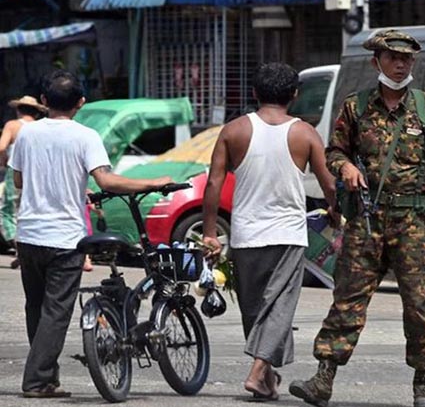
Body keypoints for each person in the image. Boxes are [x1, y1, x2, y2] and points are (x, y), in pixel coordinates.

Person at [289, 30, 425, 407]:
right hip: (368, 220)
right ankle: (323, 379)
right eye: (393, 57)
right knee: (348, 299)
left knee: (420, 304)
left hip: (414, 221)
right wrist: (344, 169)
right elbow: (334, 151)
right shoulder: (355, 107)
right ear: (377, 62)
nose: (401, 64)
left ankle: (424, 385)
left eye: (407, 58)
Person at [10, 70, 172, 398]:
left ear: (43, 102)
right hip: (64, 239)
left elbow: (18, 181)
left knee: (37, 308)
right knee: (56, 312)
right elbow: (108, 181)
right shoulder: (85, 136)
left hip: (28, 234)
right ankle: (37, 380)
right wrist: (153, 183)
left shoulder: (27, 134)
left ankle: (46, 377)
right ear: (81, 103)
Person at [202, 62, 336, 401]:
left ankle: (267, 377)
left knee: (255, 309)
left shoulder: (234, 130)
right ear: (294, 94)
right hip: (288, 235)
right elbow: (327, 183)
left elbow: (214, 182)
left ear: (254, 93)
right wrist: (336, 209)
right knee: (279, 308)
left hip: (246, 234)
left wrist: (209, 233)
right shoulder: (305, 133)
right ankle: (257, 371)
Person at [0, 96, 47, 268]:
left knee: (7, 211)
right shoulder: (40, 127)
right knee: (29, 210)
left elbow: (1, 146)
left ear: (19, 109)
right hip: (37, 172)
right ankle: (30, 247)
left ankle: (21, 247)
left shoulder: (13, 125)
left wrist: (3, 160)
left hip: (16, 170)